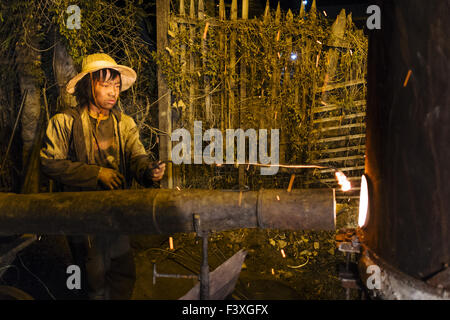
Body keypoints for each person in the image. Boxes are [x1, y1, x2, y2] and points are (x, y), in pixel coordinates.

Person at [39, 53, 165, 299]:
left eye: (116, 86)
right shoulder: (64, 122)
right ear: (89, 85)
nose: (113, 92)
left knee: (122, 272)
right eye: (105, 85)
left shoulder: (124, 123)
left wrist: (150, 171)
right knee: (92, 278)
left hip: (117, 213)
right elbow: (50, 163)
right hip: (82, 216)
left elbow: (137, 158)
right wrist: (97, 174)